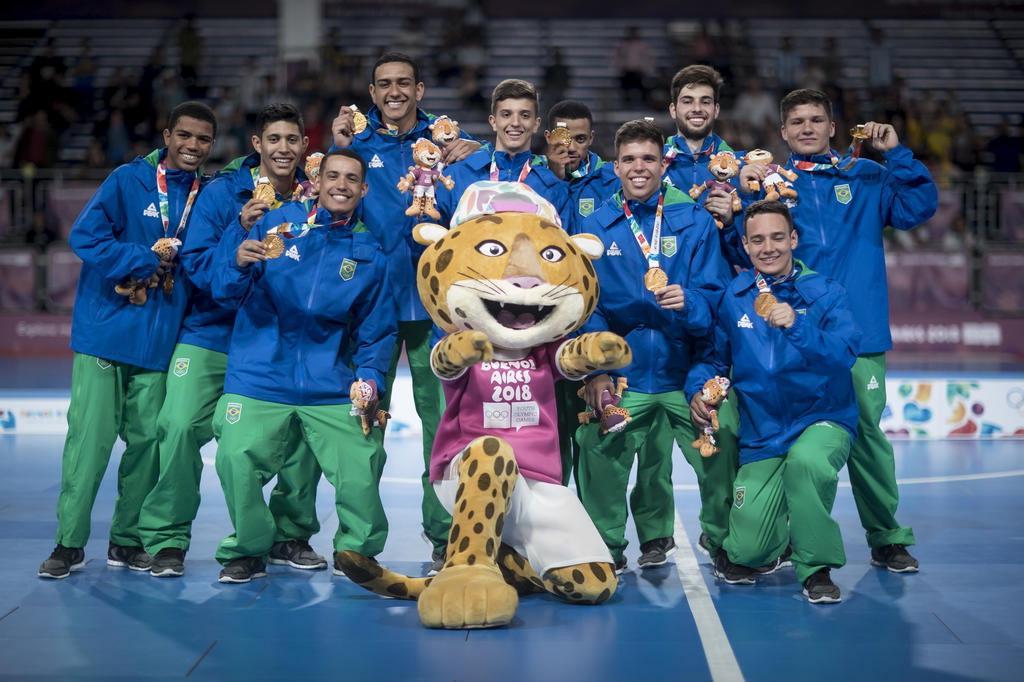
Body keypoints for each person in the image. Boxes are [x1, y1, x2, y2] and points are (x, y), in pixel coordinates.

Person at [745, 88, 937, 572]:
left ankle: (887, 537)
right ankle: (792, 534)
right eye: (797, 122)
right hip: (792, 339)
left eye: (816, 120)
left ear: (832, 127)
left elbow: (918, 208)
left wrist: (896, 153)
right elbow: (745, 249)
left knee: (868, 438)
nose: (807, 128)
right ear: (783, 132)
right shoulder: (772, 188)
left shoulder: (867, 176)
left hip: (861, 337)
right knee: (795, 437)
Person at [137, 103, 324, 578]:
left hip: (274, 337)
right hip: (212, 331)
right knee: (177, 425)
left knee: (301, 432)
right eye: (273, 140)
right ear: (257, 145)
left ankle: (289, 534)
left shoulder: (315, 197)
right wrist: (238, 232)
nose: (283, 149)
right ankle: (167, 538)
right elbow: (195, 266)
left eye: (292, 140)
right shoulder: (223, 194)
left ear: (304, 146)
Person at [38, 102, 217, 579]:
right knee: (89, 444)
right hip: (106, 335)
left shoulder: (208, 194)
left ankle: (127, 540)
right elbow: (85, 237)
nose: (192, 146)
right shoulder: (127, 180)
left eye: (202, 139)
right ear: (166, 135)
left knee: (147, 449)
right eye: (184, 135)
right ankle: (69, 543)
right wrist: (140, 259)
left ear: (211, 146)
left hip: (159, 344)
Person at [209, 150, 397, 583]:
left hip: (329, 382)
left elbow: (377, 330)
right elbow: (222, 289)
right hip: (259, 373)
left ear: (363, 189)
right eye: (333, 176)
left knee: (362, 459)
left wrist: (369, 379)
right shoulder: (278, 224)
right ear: (317, 181)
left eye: (352, 179)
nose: (341, 185)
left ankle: (357, 552)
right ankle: (250, 547)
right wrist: (237, 263)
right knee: (235, 457)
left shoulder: (370, 252)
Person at [330, 53, 479, 572]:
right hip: (370, 305)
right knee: (361, 416)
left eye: (403, 84)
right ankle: (358, 539)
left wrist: (476, 151)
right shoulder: (354, 146)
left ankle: (442, 535)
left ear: (420, 89)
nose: (394, 92)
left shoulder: (447, 146)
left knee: (442, 425)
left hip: (435, 307)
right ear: (371, 94)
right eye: (384, 85)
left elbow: (483, 182)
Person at [573, 119, 732, 572]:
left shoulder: (694, 221)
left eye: (647, 159)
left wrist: (691, 302)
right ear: (615, 166)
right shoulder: (596, 225)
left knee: (719, 444)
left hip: (686, 372)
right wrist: (598, 367)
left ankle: (720, 542)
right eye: (628, 160)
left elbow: (716, 297)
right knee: (596, 446)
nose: (638, 168)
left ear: (663, 164)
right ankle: (605, 546)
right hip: (625, 374)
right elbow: (589, 304)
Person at [687, 200, 860, 603]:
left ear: (793, 239)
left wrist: (797, 324)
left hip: (822, 418)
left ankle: (816, 567)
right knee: (746, 553)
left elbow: (844, 353)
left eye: (778, 238)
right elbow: (714, 355)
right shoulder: (736, 295)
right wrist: (698, 387)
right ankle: (775, 539)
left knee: (807, 464)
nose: (769, 248)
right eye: (758, 240)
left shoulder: (824, 293)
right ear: (745, 245)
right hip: (763, 432)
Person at [437, 79, 571, 228]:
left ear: (536, 124)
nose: (515, 123)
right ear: (493, 122)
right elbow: (435, 238)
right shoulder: (457, 176)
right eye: (506, 114)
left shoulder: (553, 187)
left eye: (525, 115)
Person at [542, 99, 619, 230]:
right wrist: (554, 179)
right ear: (548, 137)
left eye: (580, 139)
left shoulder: (613, 179)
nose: (571, 147)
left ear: (591, 138)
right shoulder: (532, 177)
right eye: (562, 138)